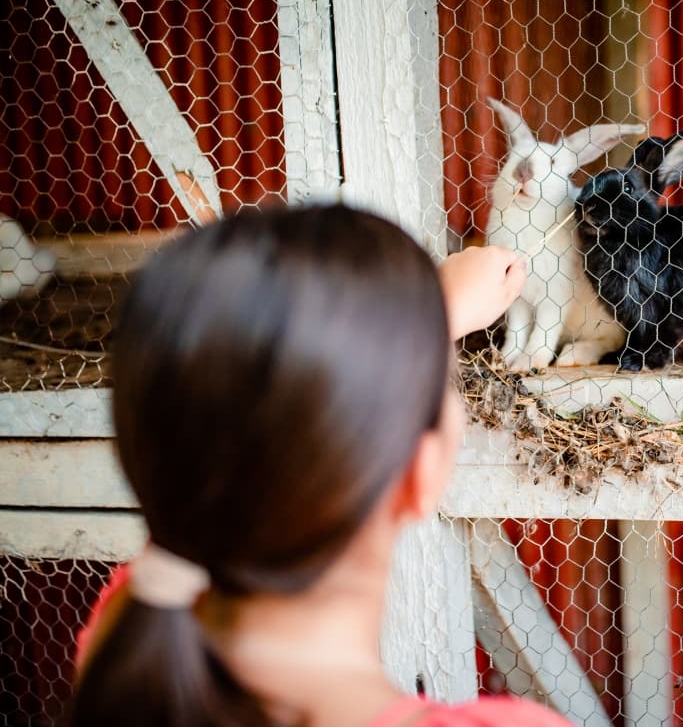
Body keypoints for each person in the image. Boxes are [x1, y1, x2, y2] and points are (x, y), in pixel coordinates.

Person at [68, 204, 573, 727]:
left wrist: (419, 327)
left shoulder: (130, 634)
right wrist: (430, 317)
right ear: (420, 476)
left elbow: (225, 437)